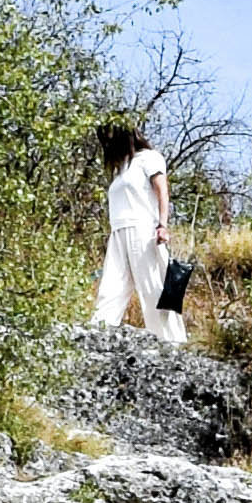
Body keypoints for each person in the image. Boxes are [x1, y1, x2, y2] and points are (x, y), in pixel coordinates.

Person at [88, 117, 182, 343]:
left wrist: (163, 225)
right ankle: (97, 333)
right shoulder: (123, 167)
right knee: (112, 286)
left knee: (153, 287)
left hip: (143, 229)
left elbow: (162, 191)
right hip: (118, 231)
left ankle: (169, 342)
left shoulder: (149, 158)